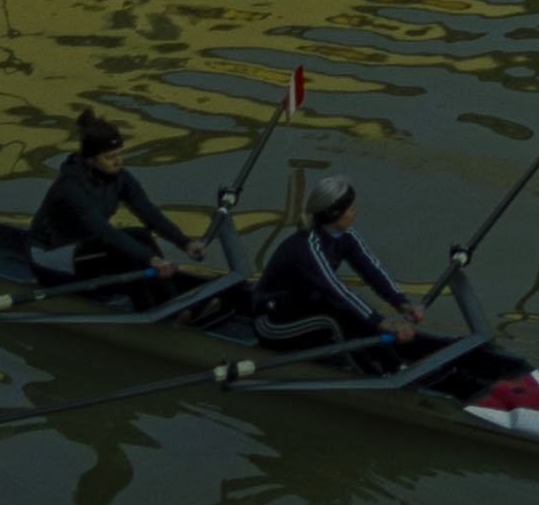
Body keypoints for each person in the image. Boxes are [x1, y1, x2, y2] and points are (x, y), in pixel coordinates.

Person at [239, 173, 422, 356]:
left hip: (304, 307)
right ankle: (384, 368)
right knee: (340, 315)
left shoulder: (346, 236)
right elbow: (336, 290)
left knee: (350, 313)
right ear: (335, 214)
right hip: (272, 322)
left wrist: (402, 303)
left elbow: (373, 269)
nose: (355, 212)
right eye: (351, 209)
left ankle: (387, 362)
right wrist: (383, 323)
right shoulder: (307, 248)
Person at [25, 109, 196, 292]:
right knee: (122, 251)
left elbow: (148, 211)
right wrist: (151, 259)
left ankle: (171, 296)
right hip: (50, 256)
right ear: (90, 160)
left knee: (141, 236)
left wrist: (185, 243)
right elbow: (104, 231)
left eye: (120, 154)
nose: (118, 162)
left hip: (86, 246)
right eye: (110, 157)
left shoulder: (120, 177)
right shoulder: (69, 187)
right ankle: (153, 305)